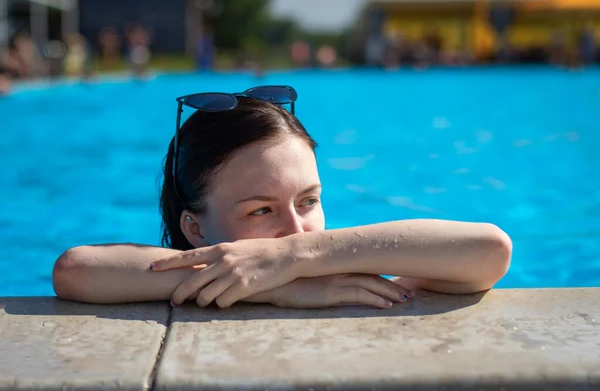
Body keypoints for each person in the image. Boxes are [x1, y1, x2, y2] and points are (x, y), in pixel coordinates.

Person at [52, 86, 512, 309]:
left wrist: (294, 257)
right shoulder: (319, 282)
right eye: (261, 210)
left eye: (308, 201)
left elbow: (489, 250)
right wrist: (283, 287)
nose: (296, 229)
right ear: (195, 228)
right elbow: (77, 270)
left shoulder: (333, 267)